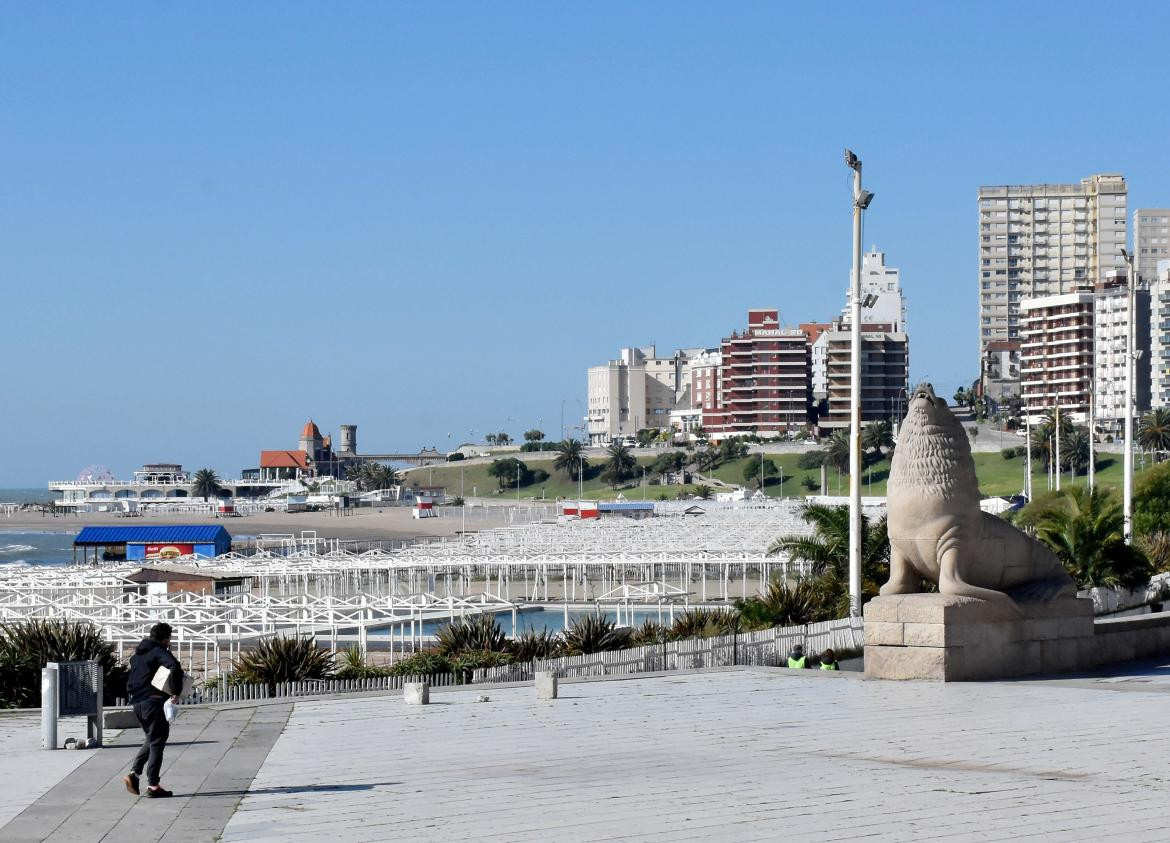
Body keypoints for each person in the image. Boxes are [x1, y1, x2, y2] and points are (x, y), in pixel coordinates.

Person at [123, 622, 184, 798]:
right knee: (158, 740)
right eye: (169, 639)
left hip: (137, 703)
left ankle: (134, 774)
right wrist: (176, 692)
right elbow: (174, 666)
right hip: (153, 701)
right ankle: (153, 785)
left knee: (152, 737)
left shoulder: (137, 655)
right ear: (165, 638)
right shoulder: (159, 651)